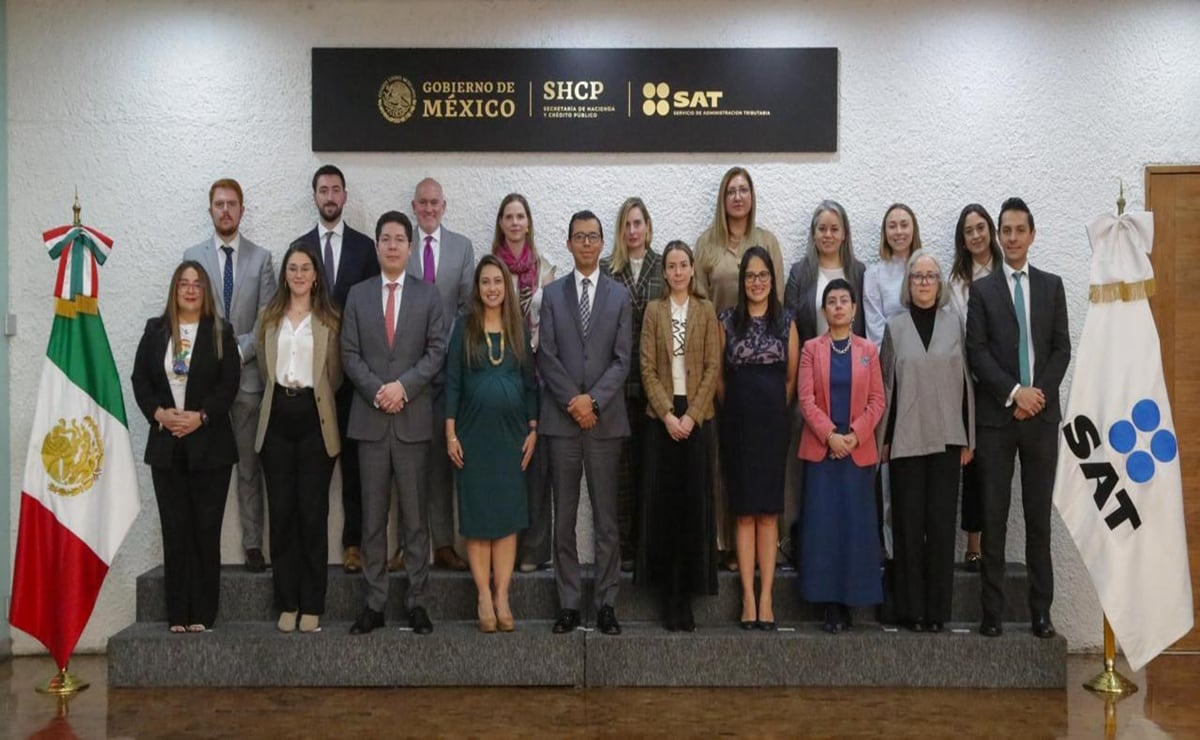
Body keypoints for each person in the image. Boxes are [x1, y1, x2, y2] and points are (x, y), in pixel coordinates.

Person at [966, 197, 1069, 639]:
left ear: (1031, 234)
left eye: (1018, 230)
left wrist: (1037, 396)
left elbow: (1062, 348)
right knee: (994, 516)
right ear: (997, 235)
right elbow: (977, 352)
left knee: (1037, 520)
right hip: (998, 419)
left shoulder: (1052, 286)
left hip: (1040, 420)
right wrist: (1014, 393)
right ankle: (992, 613)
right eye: (1004, 230)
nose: (1011, 238)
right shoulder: (983, 290)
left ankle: (1040, 613)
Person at [341, 211, 446, 636]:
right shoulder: (358, 294)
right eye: (385, 239)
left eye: (400, 239)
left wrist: (402, 387)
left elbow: (437, 351)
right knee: (372, 519)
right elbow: (349, 353)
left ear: (409, 246)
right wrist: (377, 390)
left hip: (412, 420)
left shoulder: (428, 295)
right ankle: (375, 603)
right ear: (378, 245)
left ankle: (418, 602)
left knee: (415, 519)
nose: (392, 246)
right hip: (370, 422)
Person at [537, 209, 632, 635]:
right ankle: (570, 603)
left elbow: (622, 359)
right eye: (580, 237)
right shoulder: (552, 294)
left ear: (601, 243)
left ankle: (607, 603)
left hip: (605, 422)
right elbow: (546, 356)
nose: (588, 244)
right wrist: (573, 401)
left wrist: (592, 400)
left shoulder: (618, 296)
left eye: (594, 237)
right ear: (569, 242)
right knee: (565, 519)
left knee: (607, 519)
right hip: (561, 422)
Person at [131, 261, 240, 632]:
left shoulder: (222, 331)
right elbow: (140, 380)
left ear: (205, 291)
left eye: (197, 284)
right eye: (184, 283)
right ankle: (178, 613)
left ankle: (203, 614)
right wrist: (160, 414)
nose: (191, 290)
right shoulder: (156, 330)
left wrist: (201, 417)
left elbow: (229, 383)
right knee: (175, 531)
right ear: (174, 289)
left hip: (210, 446)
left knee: (205, 532)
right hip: (167, 446)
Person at [183, 178, 277, 573]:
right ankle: (200, 546)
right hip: (203, 384)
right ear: (210, 210)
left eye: (232, 204)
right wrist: (213, 358)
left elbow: (267, 318)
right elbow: (189, 313)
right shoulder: (193, 256)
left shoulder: (262, 258)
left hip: (248, 379)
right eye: (219, 204)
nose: (225, 210)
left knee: (249, 467)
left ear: (242, 210)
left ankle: (253, 545)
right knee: (203, 466)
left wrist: (237, 353)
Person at [880, 252, 975, 633]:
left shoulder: (954, 325)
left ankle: (936, 611)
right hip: (904, 440)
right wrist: (883, 440)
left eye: (931, 276)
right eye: (917, 276)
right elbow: (887, 387)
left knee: (939, 527)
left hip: (948, 440)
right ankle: (910, 610)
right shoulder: (895, 327)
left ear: (940, 284)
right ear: (909, 283)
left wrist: (970, 438)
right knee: (907, 526)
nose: (923, 282)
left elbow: (966, 382)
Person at [695, 167, 783, 570]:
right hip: (721, 358)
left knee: (761, 466)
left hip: (763, 370)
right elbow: (698, 306)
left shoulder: (766, 242)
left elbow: (778, 306)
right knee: (725, 461)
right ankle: (726, 543)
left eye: (744, 189)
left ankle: (765, 544)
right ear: (722, 198)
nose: (737, 197)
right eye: (730, 190)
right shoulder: (707, 246)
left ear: (752, 196)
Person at [293, 164, 379, 575]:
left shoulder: (365, 249)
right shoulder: (299, 249)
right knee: (311, 464)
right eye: (323, 190)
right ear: (314, 196)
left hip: (354, 375)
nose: (329, 197)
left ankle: (353, 543)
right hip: (311, 376)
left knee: (355, 464)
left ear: (345, 196)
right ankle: (306, 544)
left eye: (336, 190)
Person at [445, 255, 538, 633]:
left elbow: (531, 383)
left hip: (512, 437)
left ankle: (503, 596)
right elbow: (452, 382)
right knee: (479, 520)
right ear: (477, 287)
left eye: (497, 282)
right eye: (485, 282)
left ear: (507, 287)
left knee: (506, 521)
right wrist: (450, 433)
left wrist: (533, 428)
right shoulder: (463, 328)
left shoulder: (518, 329)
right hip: (472, 436)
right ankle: (483, 594)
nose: (492, 288)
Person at [254, 241, 342, 634]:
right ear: (285, 274)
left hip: (314, 422)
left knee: (312, 515)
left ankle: (312, 603)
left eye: (306, 268)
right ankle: (286, 602)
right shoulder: (268, 318)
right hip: (276, 422)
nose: (299, 274)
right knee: (283, 515)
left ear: (316, 275)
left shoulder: (330, 320)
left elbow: (336, 375)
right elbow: (262, 366)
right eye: (293, 267)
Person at [639, 241, 720, 631]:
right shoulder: (653, 312)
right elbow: (646, 367)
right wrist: (669, 415)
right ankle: (667, 596)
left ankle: (687, 596)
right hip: (662, 420)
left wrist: (692, 416)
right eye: (670, 266)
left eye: (683, 265)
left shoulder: (705, 311)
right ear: (664, 272)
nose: (677, 272)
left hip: (697, 420)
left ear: (692, 270)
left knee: (693, 508)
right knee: (665, 510)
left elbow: (712, 367)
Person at [783, 200, 867, 575]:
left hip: (851, 388)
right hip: (809, 385)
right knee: (807, 474)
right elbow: (788, 326)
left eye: (834, 228)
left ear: (844, 233)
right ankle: (802, 544)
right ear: (813, 234)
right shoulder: (801, 273)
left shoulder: (860, 273)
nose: (828, 235)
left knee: (847, 482)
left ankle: (849, 556)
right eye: (822, 228)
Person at [797, 279, 885, 633]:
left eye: (843, 301)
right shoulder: (810, 349)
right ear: (824, 310)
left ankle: (851, 600)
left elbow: (877, 400)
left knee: (854, 529)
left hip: (856, 453)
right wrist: (830, 436)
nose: (837, 307)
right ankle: (829, 604)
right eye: (831, 301)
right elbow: (805, 399)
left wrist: (853, 436)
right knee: (824, 529)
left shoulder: (868, 351)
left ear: (854, 309)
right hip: (822, 452)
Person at [717, 246, 799, 629]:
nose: (756, 282)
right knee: (744, 511)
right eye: (749, 276)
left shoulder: (787, 322)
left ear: (772, 278)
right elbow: (718, 378)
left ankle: (767, 597)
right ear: (742, 280)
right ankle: (747, 598)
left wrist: (770, 410)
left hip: (772, 427)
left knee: (768, 513)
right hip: (737, 425)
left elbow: (791, 379)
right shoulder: (727, 322)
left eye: (762, 275)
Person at [408, 177, 476, 573]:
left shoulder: (462, 248)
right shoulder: (402, 244)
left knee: (444, 460)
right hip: (409, 373)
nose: (430, 209)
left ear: (444, 206)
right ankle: (408, 544)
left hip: (448, 369)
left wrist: (442, 351)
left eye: (435, 202)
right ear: (414, 207)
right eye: (423, 203)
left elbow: (466, 307)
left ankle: (445, 544)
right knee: (407, 462)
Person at [491, 193, 558, 573]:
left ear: (529, 223)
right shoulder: (491, 268)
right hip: (500, 376)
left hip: (537, 378)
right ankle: (505, 545)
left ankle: (534, 550)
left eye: (521, 216)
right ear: (501, 223)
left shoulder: (545, 269)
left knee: (537, 468)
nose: (515, 222)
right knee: (503, 465)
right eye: (509, 216)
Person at [600, 196, 664, 572]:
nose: (633, 230)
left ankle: (647, 543)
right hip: (619, 386)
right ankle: (622, 546)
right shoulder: (609, 270)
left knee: (650, 465)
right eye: (627, 224)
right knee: (620, 469)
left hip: (654, 384)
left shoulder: (663, 265)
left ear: (648, 227)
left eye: (638, 223)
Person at [947, 204, 1003, 573]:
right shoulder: (956, 281)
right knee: (973, 465)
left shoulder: (1005, 272)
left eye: (981, 228)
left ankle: (995, 544)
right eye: (969, 231)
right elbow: (958, 332)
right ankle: (973, 544)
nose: (977, 235)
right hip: (971, 380)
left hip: (1009, 384)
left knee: (999, 468)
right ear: (963, 240)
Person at [863, 203, 923, 347]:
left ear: (913, 229)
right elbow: (875, 328)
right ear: (885, 232)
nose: (898, 231)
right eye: (892, 226)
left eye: (904, 225)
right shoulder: (874, 274)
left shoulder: (927, 268)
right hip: (892, 356)